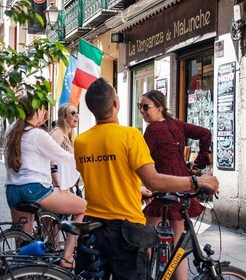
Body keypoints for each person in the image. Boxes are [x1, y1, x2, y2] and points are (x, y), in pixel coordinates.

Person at [73, 78, 219, 280]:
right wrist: (197, 181)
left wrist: (136, 190)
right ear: (116, 103)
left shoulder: (80, 141)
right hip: (124, 230)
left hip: (93, 227)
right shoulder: (130, 135)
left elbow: (104, 174)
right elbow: (153, 181)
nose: (141, 109)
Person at [4, 95, 86, 269]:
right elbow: (64, 157)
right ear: (37, 111)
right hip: (35, 189)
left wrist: (39, 120)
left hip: (12, 190)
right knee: (83, 207)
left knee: (23, 242)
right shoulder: (38, 135)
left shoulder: (11, 130)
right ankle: (68, 256)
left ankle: (22, 272)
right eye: (42, 109)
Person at [139, 89, 212, 279]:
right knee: (179, 241)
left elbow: (141, 161)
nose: (142, 111)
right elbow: (205, 133)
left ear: (159, 107)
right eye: (140, 107)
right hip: (183, 185)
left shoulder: (153, 130)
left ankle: (142, 275)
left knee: (146, 238)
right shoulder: (176, 124)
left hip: (164, 185)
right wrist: (201, 161)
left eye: (145, 107)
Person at [50, 103, 79, 188]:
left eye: (77, 113)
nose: (77, 116)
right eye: (73, 113)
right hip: (58, 185)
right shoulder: (58, 133)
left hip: (66, 184)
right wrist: (58, 183)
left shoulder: (69, 135)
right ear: (64, 117)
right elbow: (50, 160)